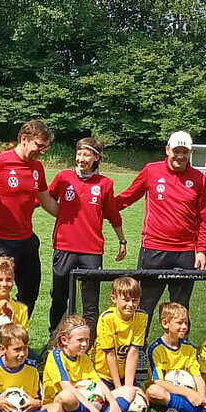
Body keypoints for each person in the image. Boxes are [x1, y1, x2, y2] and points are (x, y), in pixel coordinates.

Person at [115, 131, 206, 319]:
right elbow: (127, 197)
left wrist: (201, 250)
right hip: (154, 249)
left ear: (190, 153)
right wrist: (101, 209)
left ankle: (180, 347)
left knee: (181, 307)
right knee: (145, 305)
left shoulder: (199, 178)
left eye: (185, 151)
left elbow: (203, 218)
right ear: (167, 150)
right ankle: (138, 347)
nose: (180, 156)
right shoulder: (151, 171)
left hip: (185, 253)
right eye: (177, 151)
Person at [46, 137, 126, 335]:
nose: (81, 159)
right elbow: (46, 199)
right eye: (79, 154)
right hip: (64, 247)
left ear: (96, 157)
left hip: (91, 250)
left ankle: (88, 343)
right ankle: (55, 339)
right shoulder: (63, 177)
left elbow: (112, 213)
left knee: (90, 302)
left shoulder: (105, 184)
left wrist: (121, 240)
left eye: (86, 154)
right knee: (59, 297)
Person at [0, 120, 58, 313]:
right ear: (24, 139)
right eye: (39, 146)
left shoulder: (37, 167)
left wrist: (77, 218)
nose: (41, 151)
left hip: (26, 239)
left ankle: (17, 336)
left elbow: (46, 200)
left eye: (45, 148)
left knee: (30, 290)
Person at [146, 302, 206, 412]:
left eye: (186, 323)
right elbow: (158, 382)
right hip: (169, 391)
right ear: (165, 323)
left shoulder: (189, 348)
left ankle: (177, 407)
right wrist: (187, 393)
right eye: (179, 323)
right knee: (153, 391)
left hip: (190, 389)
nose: (184, 327)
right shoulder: (155, 349)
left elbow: (197, 377)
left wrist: (202, 397)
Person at [42, 314, 127, 412]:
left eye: (87, 339)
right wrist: (94, 410)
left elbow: (98, 382)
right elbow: (68, 388)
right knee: (67, 396)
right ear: (64, 340)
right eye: (80, 340)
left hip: (84, 402)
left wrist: (114, 404)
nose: (84, 344)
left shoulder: (84, 358)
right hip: (64, 409)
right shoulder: (56, 356)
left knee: (129, 391)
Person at [94, 277, 148, 412]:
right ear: (114, 298)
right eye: (126, 300)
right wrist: (120, 389)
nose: (130, 304)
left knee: (142, 402)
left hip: (126, 375)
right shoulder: (107, 318)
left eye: (135, 300)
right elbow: (110, 355)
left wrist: (128, 387)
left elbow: (133, 352)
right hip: (104, 374)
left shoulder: (141, 317)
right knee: (99, 401)